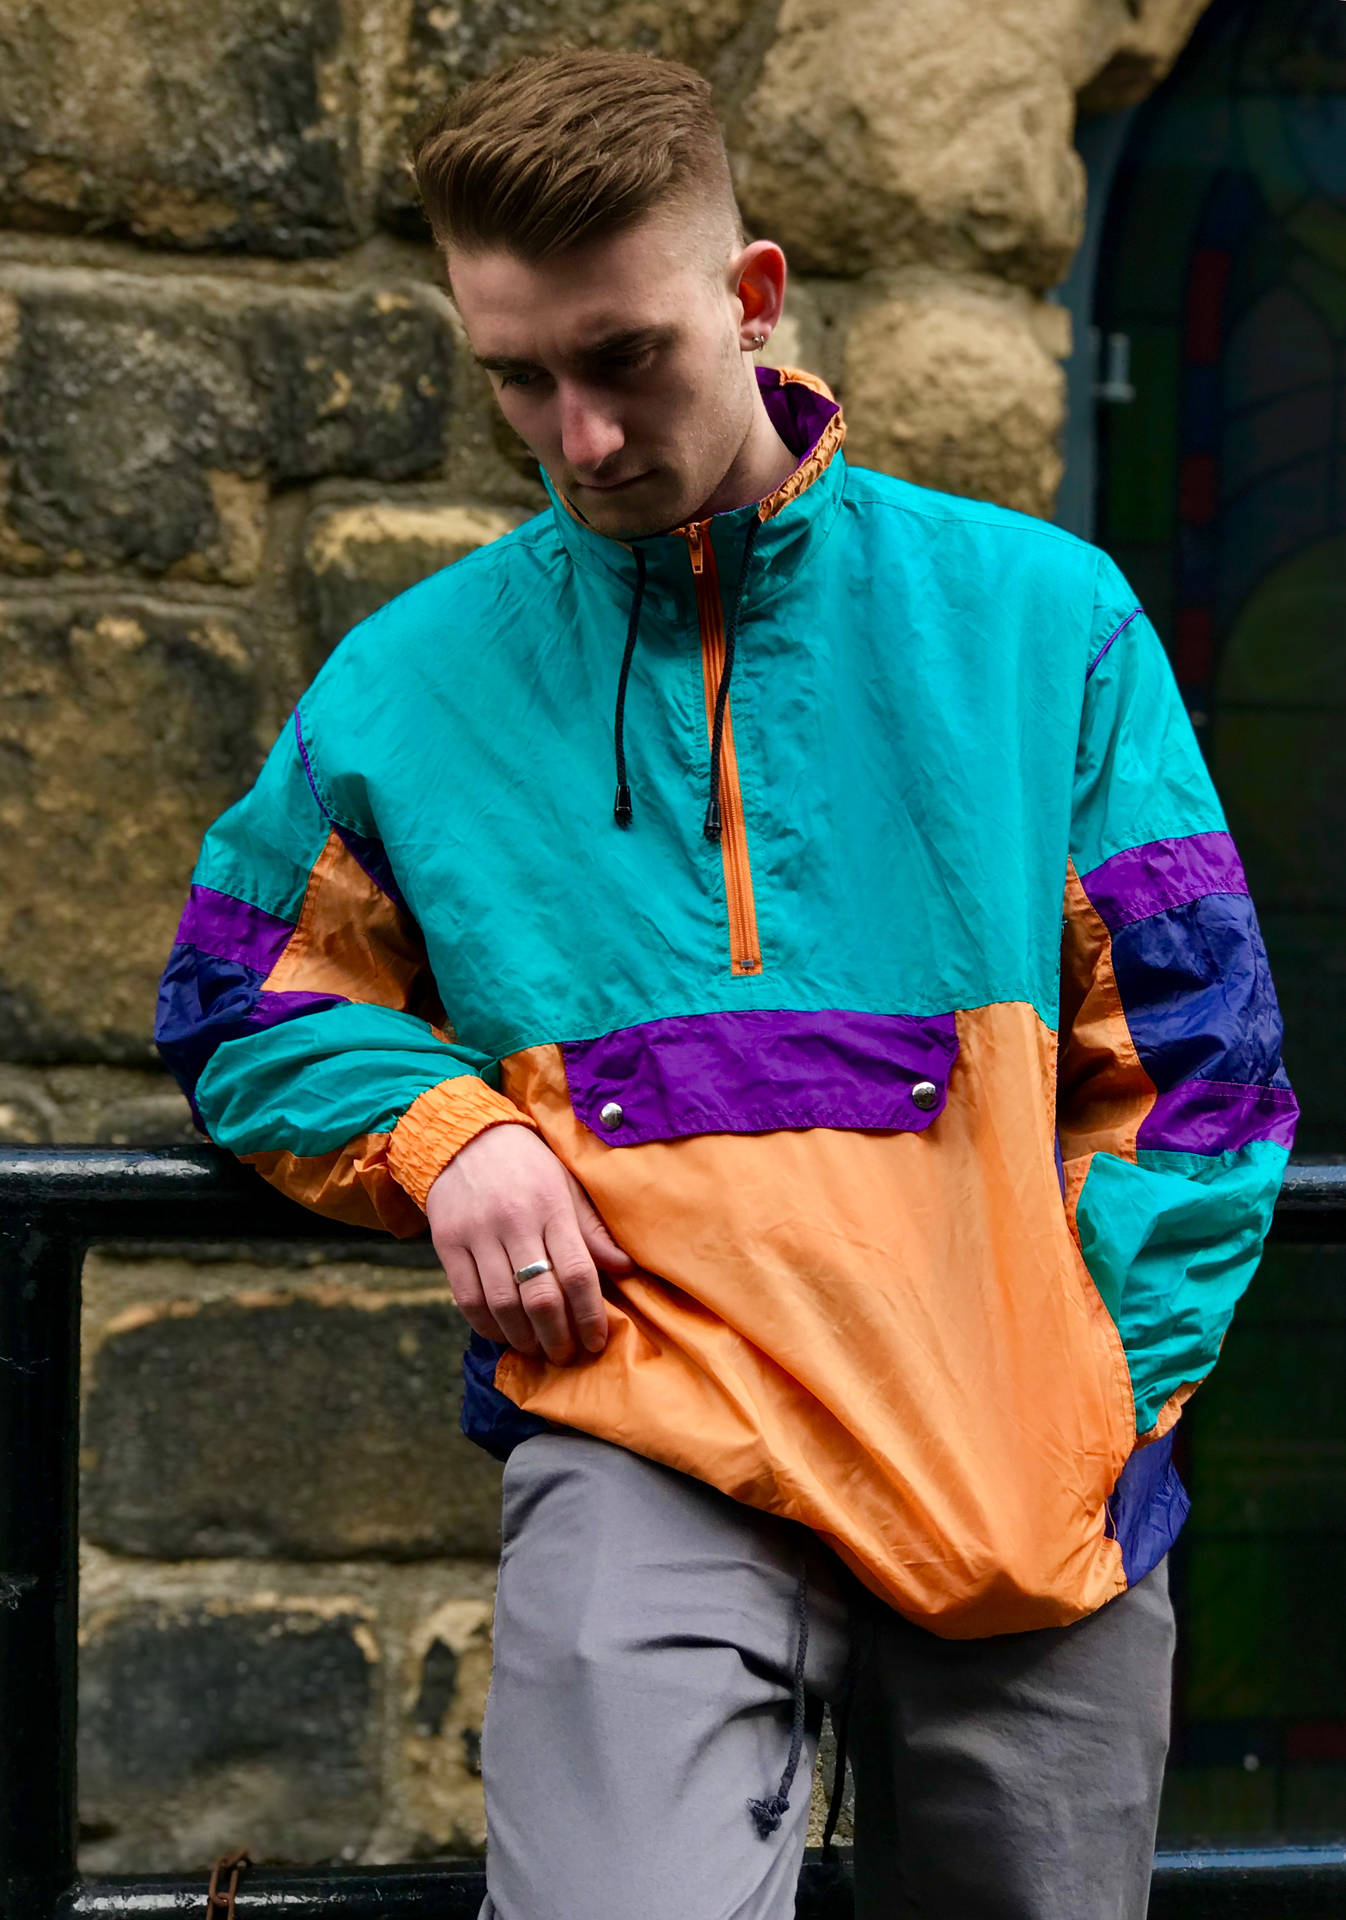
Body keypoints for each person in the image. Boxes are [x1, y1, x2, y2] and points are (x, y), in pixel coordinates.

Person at [155, 46, 1298, 1920]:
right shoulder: (405, 684)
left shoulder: (1044, 618)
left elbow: (1198, 1066)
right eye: (518, 376)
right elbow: (238, 1002)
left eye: (622, 362)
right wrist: (445, 1135)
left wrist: (1102, 1391)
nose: (577, 438)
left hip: (1019, 1441)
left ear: (751, 298)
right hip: (647, 1422)